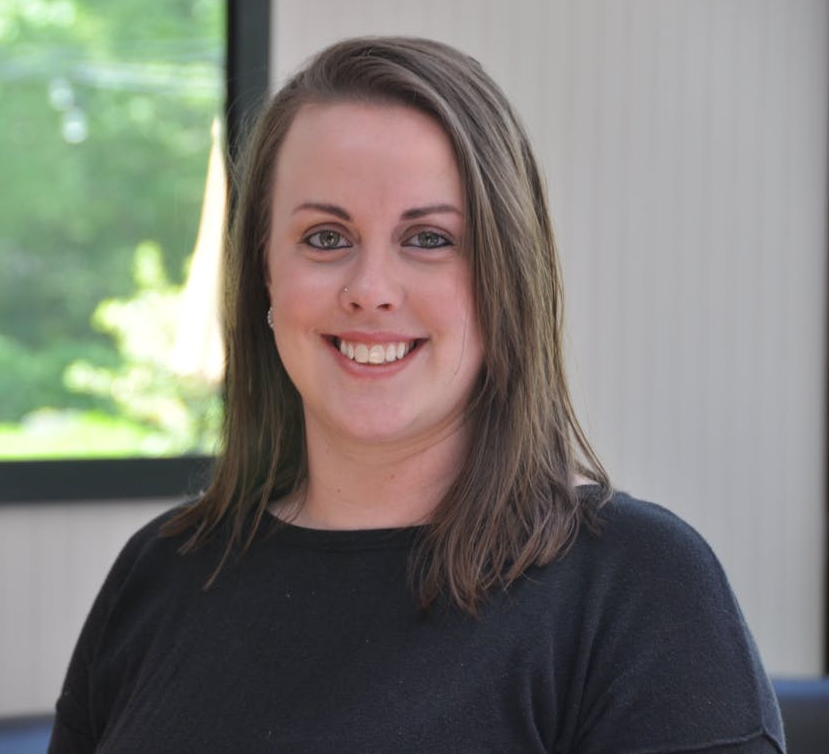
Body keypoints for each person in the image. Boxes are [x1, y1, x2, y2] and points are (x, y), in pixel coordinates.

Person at [47, 37, 785, 753]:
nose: (370, 291)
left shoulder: (639, 588)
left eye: (429, 239)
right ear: (266, 278)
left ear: (507, 282)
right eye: (326, 238)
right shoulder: (159, 572)